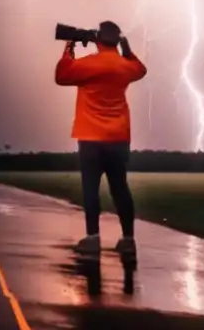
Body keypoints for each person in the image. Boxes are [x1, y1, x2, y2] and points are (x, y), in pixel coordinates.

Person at [55, 20, 147, 258]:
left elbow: (61, 75)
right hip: (118, 137)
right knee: (120, 188)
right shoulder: (125, 66)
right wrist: (126, 49)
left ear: (97, 40)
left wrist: (69, 46)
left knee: (90, 189)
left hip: (90, 136)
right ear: (117, 41)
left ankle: (93, 238)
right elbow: (141, 69)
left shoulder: (89, 65)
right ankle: (128, 240)